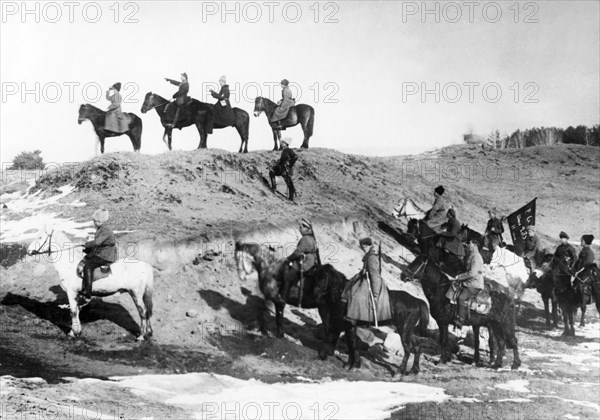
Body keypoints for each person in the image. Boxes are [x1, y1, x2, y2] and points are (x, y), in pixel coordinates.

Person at [79, 209, 118, 304]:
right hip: (101, 252)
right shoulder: (102, 228)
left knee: (88, 266)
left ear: (99, 221)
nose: (94, 223)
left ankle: (88, 294)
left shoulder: (106, 229)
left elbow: (97, 242)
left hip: (106, 255)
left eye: (95, 221)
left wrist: (86, 244)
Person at [449, 240, 484, 328]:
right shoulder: (471, 256)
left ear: (475, 245)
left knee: (461, 297)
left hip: (474, 284)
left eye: (470, 243)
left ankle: (461, 320)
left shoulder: (476, 257)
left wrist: (459, 277)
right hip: (469, 282)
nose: (468, 245)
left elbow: (472, 273)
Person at [281, 219, 319, 300]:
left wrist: (288, 258)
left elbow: (297, 253)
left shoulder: (305, 239)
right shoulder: (312, 238)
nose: (300, 229)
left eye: (301, 227)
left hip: (306, 263)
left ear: (307, 229)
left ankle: (283, 297)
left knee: (288, 276)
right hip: (312, 261)